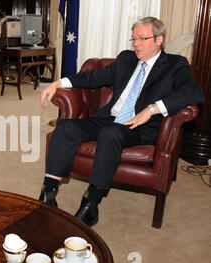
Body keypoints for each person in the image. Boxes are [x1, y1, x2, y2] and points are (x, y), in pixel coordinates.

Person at [39, 17, 204, 227]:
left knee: (111, 133)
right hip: (110, 118)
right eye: (133, 38)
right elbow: (93, 78)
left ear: (159, 39)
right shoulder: (126, 59)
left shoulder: (175, 65)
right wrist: (58, 82)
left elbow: (194, 93)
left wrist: (152, 109)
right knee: (65, 127)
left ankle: (91, 203)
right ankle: (48, 194)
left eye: (142, 38)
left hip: (140, 127)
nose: (136, 44)